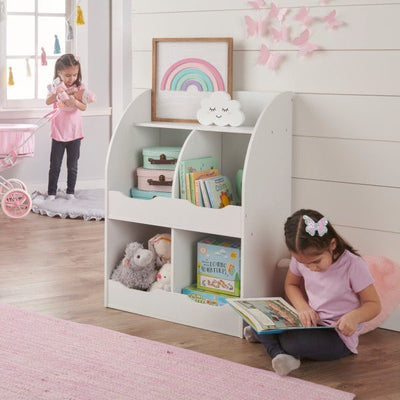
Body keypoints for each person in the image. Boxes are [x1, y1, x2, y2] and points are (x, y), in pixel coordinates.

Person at [244, 209, 381, 376]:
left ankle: (270, 342)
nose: (311, 268)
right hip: (309, 323)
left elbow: (374, 305)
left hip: (337, 335)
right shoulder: (301, 259)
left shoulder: (353, 265)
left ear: (332, 245)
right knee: (259, 314)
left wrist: (354, 317)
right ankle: (278, 350)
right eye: (304, 263)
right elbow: (291, 284)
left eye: (316, 261)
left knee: (292, 342)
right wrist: (303, 307)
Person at [45, 54, 90, 200]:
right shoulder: (56, 86)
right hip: (58, 132)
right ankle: (51, 192)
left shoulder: (80, 88)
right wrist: (60, 94)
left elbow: (84, 107)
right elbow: (47, 101)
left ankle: (70, 191)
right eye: (68, 75)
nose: (71, 78)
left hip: (75, 133)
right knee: (55, 165)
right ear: (59, 73)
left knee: (72, 165)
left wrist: (75, 102)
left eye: (75, 74)